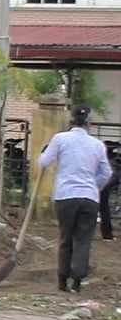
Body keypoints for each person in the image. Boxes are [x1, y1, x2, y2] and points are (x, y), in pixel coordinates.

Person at [38, 104, 113, 293]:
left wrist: (45, 151)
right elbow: (106, 173)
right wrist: (94, 186)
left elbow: (44, 161)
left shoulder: (60, 139)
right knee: (83, 239)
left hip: (66, 196)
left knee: (65, 237)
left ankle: (62, 280)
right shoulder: (97, 145)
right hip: (89, 198)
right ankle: (77, 282)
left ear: (71, 120)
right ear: (90, 123)